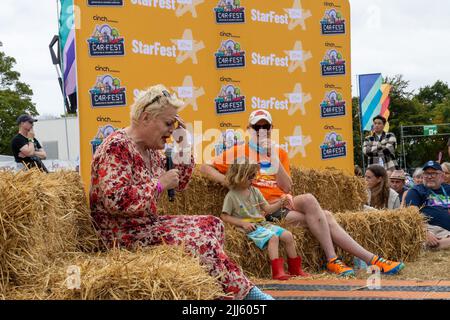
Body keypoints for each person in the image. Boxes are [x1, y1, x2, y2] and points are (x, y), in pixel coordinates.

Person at [90, 85, 273, 300]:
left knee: (212, 224)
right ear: (146, 117)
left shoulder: (150, 150)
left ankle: (212, 291)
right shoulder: (117, 147)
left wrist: (183, 145)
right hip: (119, 234)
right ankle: (247, 294)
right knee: (198, 240)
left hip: (145, 225)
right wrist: (158, 185)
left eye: (174, 124)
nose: (171, 129)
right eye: (168, 123)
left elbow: (181, 182)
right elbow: (115, 201)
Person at [201, 109, 405, 276]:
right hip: (263, 208)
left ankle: (347, 260)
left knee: (310, 201)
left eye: (266, 127)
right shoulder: (238, 151)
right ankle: (354, 259)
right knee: (326, 216)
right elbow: (205, 168)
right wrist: (229, 182)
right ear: (249, 129)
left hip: (281, 202)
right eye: (257, 127)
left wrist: (273, 157)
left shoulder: (278, 152)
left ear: (271, 129)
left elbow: (287, 187)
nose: (262, 130)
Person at [221, 160, 309, 280]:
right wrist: (242, 223)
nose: (254, 180)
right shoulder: (232, 196)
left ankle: (295, 269)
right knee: (273, 238)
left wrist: (281, 203)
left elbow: (268, 208)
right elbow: (224, 216)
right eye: (250, 177)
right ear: (239, 176)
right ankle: (277, 272)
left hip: (262, 224)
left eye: (254, 176)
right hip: (250, 227)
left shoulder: (255, 192)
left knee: (288, 235)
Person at [405, 161, 450, 250]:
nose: (429, 177)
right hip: (431, 228)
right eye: (426, 173)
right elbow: (412, 215)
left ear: (442, 176)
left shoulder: (448, 189)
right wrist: (425, 232)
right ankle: (438, 245)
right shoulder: (416, 191)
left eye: (434, 173)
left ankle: (439, 245)